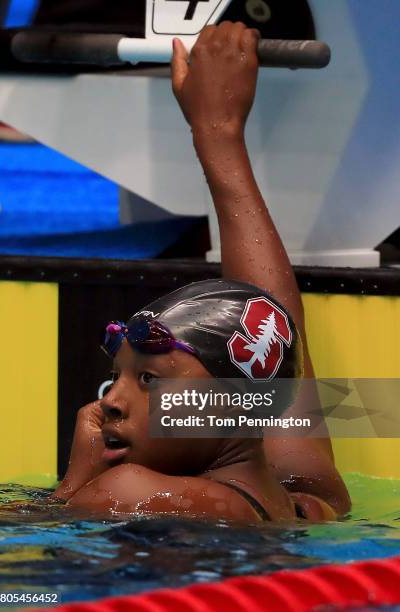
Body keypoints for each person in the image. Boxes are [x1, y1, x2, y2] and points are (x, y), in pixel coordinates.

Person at [52, 22, 350, 522]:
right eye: (117, 377)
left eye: (147, 378)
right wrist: (218, 131)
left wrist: (74, 486)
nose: (109, 404)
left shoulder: (129, 492)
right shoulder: (311, 503)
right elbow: (271, 318)